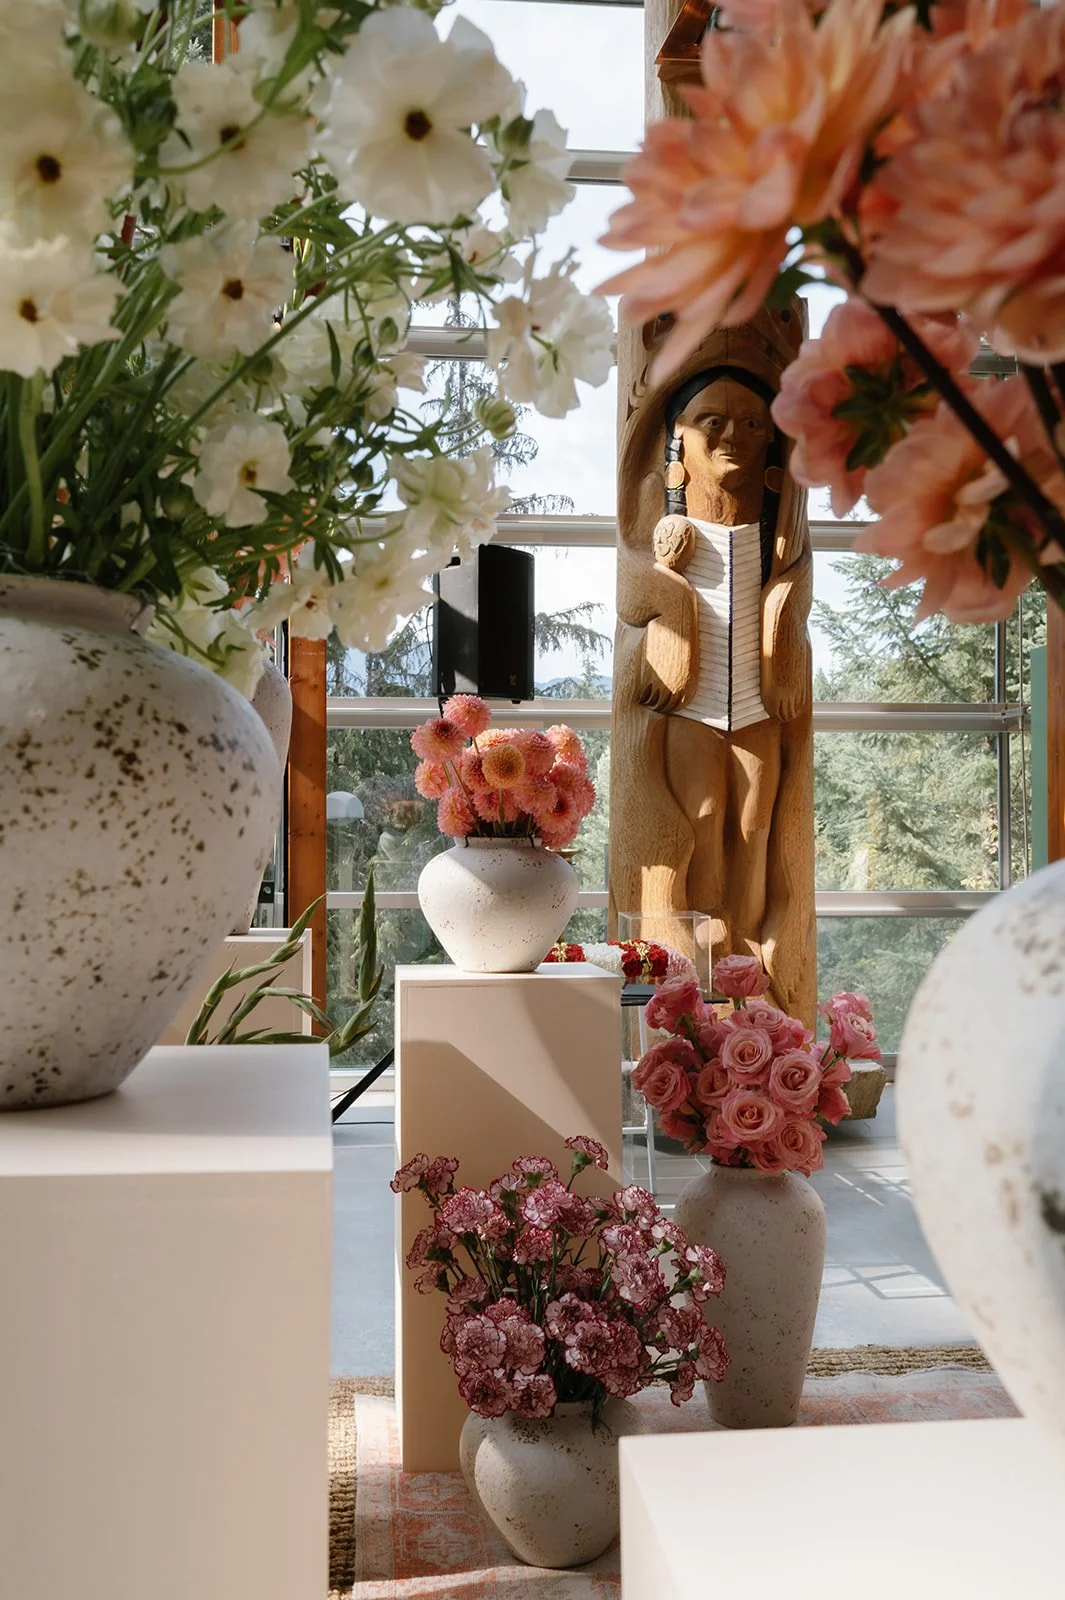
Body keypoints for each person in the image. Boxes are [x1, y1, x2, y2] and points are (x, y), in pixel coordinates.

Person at [609, 304, 815, 1021]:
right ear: (680, 444)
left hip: (756, 700)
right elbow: (636, 594)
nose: (733, 436)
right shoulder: (662, 532)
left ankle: (754, 959)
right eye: (713, 423)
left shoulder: (778, 536)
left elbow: (791, 591)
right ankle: (705, 951)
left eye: (752, 424)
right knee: (702, 819)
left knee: (757, 824)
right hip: (693, 704)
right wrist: (669, 594)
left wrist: (783, 654)